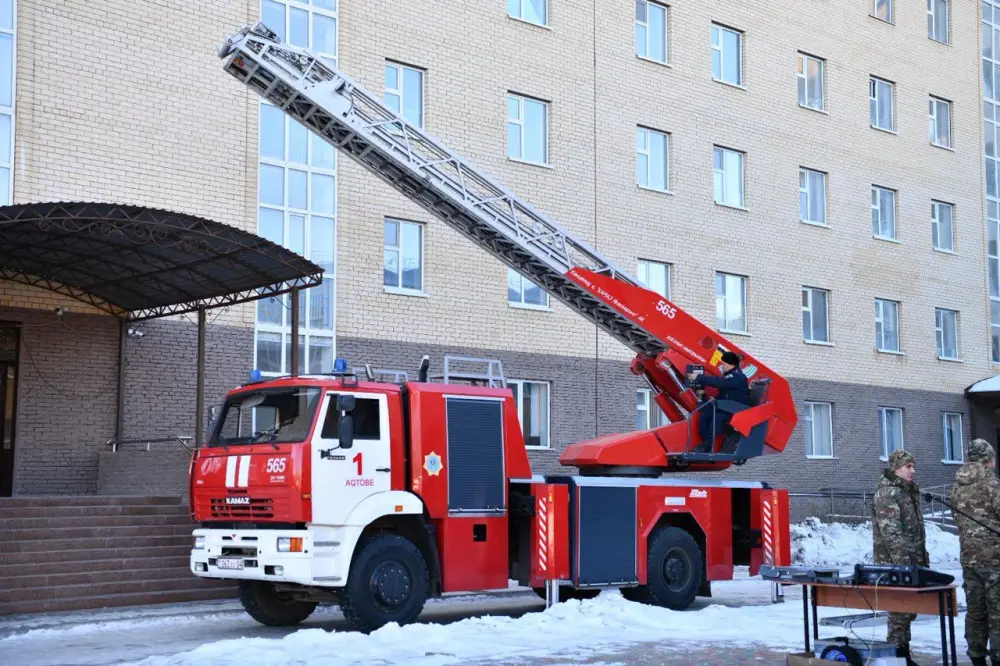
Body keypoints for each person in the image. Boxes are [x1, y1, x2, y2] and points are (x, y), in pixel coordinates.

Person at [872, 449, 928, 666]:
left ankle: (902, 654)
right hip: (895, 565)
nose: (913, 471)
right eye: (909, 467)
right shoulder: (888, 493)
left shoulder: (906, 491)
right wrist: (904, 567)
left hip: (911, 563)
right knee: (899, 613)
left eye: (913, 466)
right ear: (896, 469)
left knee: (907, 612)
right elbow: (891, 534)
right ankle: (896, 657)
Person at [949, 438, 1000, 666]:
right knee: (997, 612)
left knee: (976, 610)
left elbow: (957, 520)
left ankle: (977, 656)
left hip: (969, 559)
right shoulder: (993, 485)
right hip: (995, 561)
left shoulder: (958, 487)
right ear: (989, 459)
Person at [686, 351, 750, 453]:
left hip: (735, 408)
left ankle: (706, 445)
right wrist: (716, 400)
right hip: (726, 405)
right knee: (704, 415)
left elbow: (719, 383)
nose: (722, 366)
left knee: (717, 419)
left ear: (732, 365)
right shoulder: (730, 374)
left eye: (724, 364)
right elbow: (726, 391)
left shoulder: (736, 376)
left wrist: (698, 377)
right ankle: (706, 442)